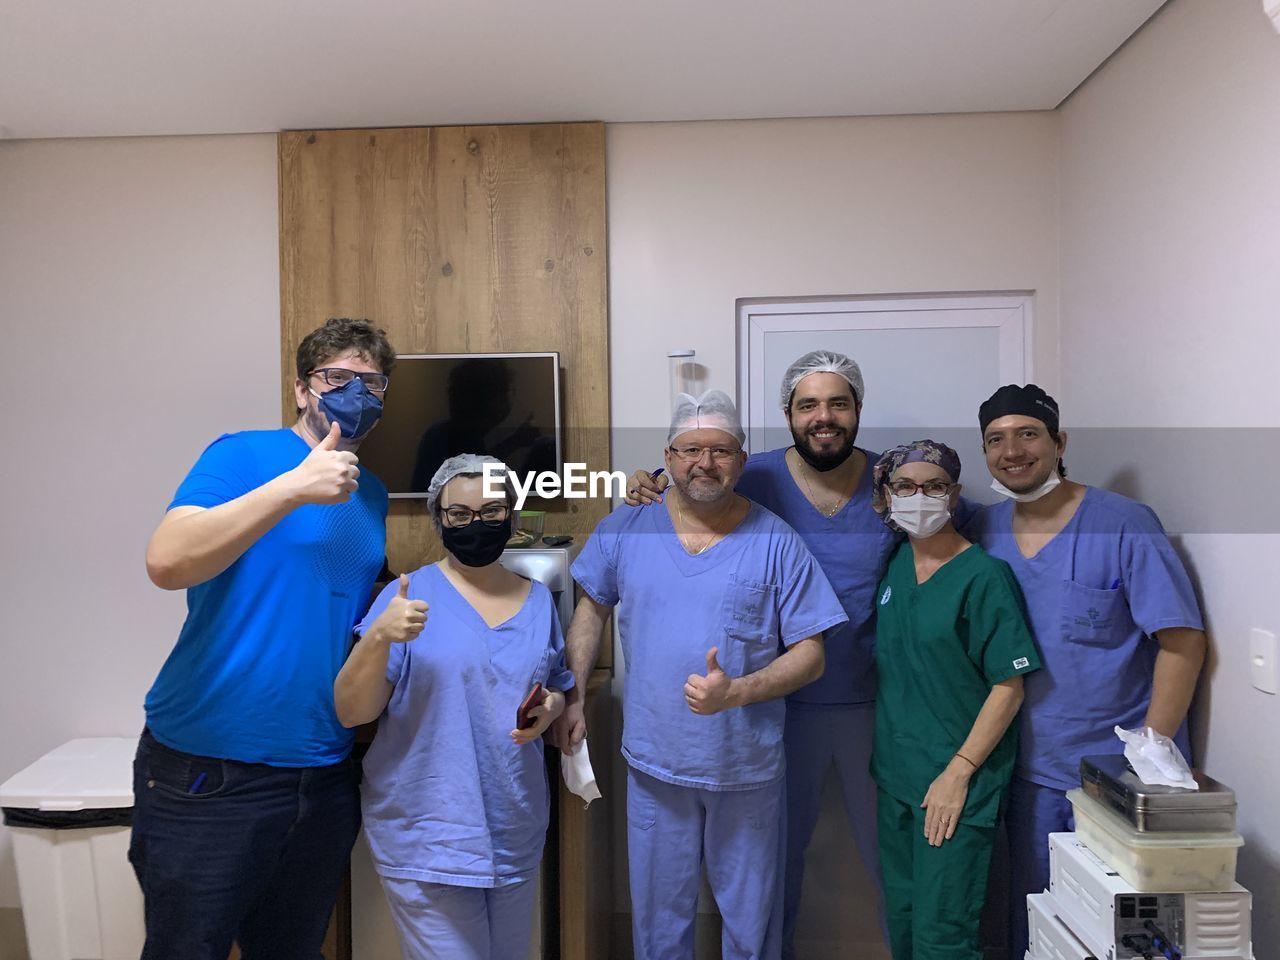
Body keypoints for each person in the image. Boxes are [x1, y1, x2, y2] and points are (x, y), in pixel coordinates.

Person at [131, 317, 395, 960]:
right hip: (212, 768)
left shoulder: (372, 495)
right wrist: (294, 487)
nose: (355, 392)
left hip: (320, 771)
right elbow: (167, 563)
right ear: (304, 389)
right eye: (337, 377)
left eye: (372, 382)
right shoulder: (242, 455)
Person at [553, 390, 848, 960]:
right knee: (659, 922)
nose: (704, 463)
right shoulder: (626, 529)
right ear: (668, 456)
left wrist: (739, 690)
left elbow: (812, 653)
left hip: (745, 769)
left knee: (750, 922)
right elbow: (591, 608)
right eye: (690, 449)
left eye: (719, 450)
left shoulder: (777, 543)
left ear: (741, 459)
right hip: (655, 762)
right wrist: (572, 696)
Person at [625, 351, 896, 957]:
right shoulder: (758, 473)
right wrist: (643, 481)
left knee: (891, 860)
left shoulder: (891, 483)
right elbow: (695, 473)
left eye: (838, 403)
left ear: (857, 410)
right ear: (788, 414)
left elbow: (952, 515)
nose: (823, 417)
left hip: (868, 701)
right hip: (774, 710)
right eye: (808, 404)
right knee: (769, 876)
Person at [964, 384, 1207, 960]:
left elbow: (1183, 641)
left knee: (1127, 931)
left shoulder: (1122, 523)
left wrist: (1151, 751)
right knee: (1042, 919)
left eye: (1028, 434)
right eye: (995, 440)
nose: (1012, 451)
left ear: (1058, 441)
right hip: (1028, 770)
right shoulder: (985, 533)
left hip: (1114, 775)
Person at [334, 454, 571, 960]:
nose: (475, 524)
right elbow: (352, 712)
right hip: (430, 832)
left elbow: (552, 688)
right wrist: (378, 637)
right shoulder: (407, 599)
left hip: (512, 824)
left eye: (490, 511)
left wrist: (550, 707)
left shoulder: (538, 602)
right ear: (438, 517)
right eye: (459, 514)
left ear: (511, 514)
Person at [869, 440, 1040, 960]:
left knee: (943, 936)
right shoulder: (897, 564)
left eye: (934, 486)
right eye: (905, 487)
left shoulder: (983, 577)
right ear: (886, 497)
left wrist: (958, 772)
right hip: (897, 778)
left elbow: (1009, 685)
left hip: (954, 787)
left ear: (954, 494)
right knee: (902, 918)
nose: (919, 496)